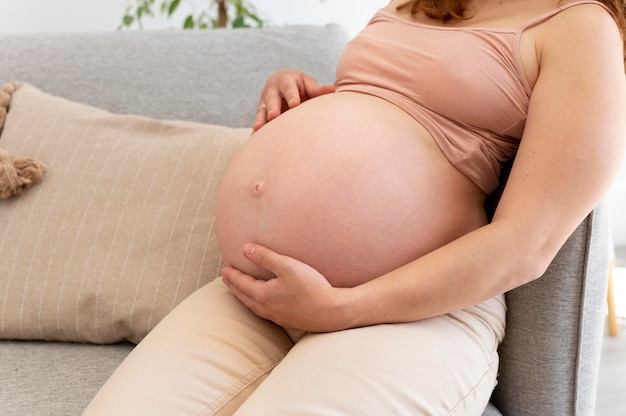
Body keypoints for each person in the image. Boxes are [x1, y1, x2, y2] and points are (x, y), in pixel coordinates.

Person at [83, 0, 626, 414]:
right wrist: (300, 93)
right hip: (257, 298)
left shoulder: (580, 27)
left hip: (409, 313)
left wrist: (342, 307)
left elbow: (525, 245)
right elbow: (386, 103)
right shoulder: (425, 2)